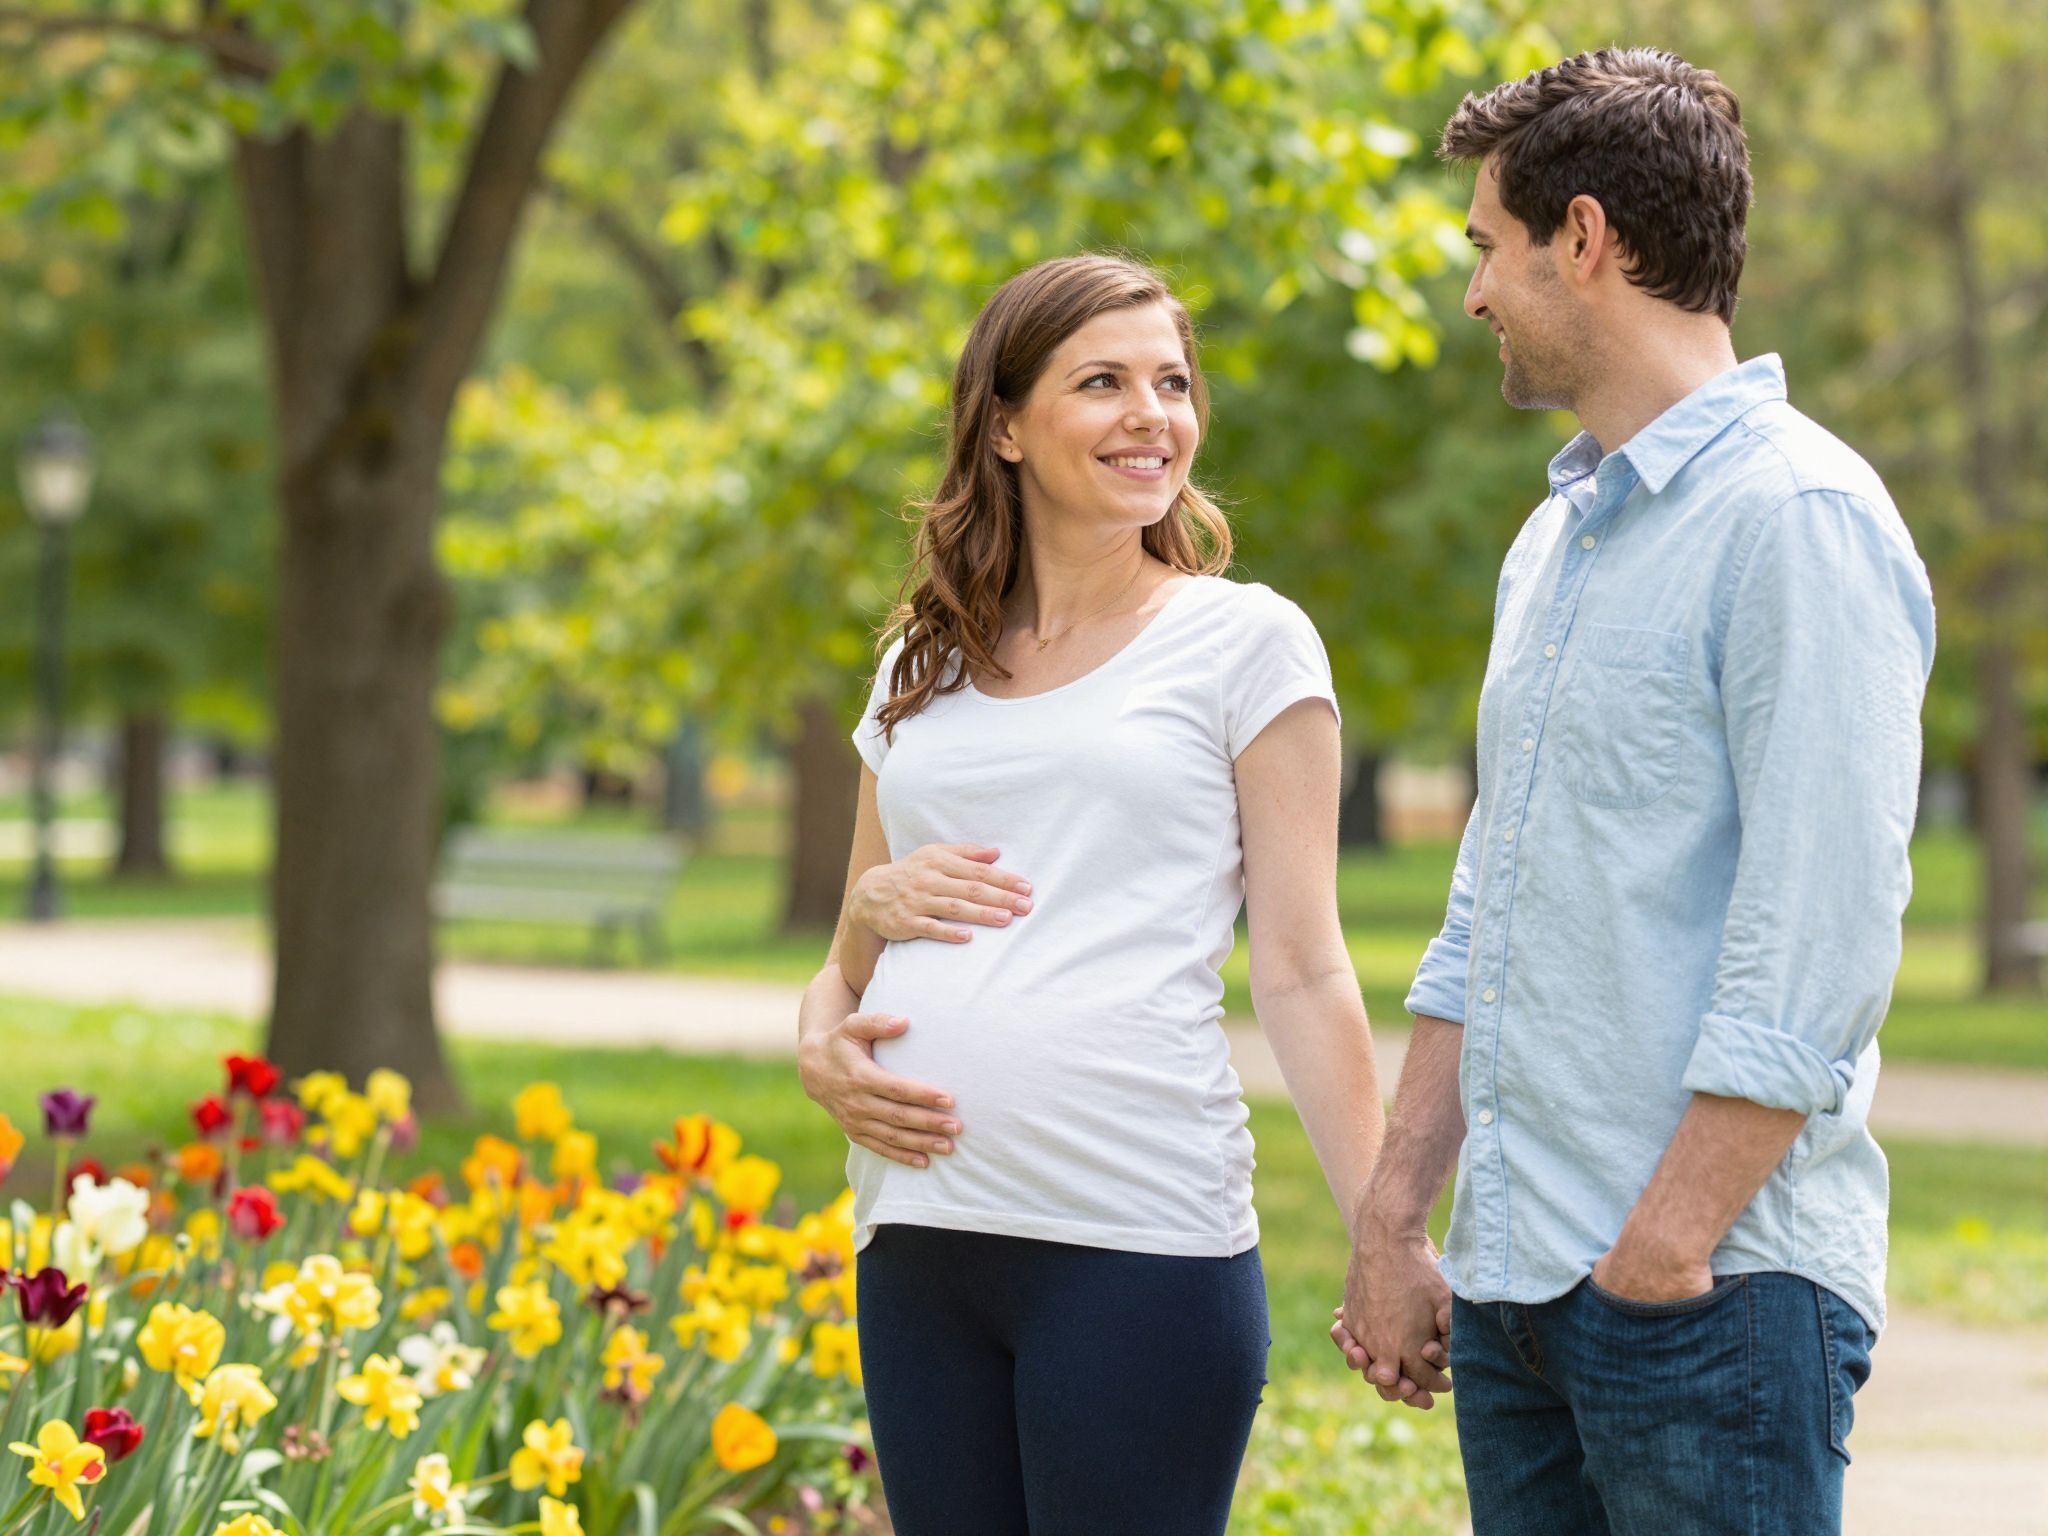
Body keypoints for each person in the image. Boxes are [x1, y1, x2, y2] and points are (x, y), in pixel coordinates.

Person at [1331, 47, 1937, 1534]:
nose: (1473, 292)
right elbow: (1490, 904)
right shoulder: (1559, 543)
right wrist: (1399, 1214)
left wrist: (1666, 1249)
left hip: (1707, 1296)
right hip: (1521, 1287)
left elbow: (1825, 935)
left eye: (1488, 245)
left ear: (1584, 238)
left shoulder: (1796, 520)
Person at [795, 253, 1385, 1535]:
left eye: (1170, 383)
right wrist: (814, 1043)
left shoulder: (1242, 642)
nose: (1151, 415)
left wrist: (1383, 1229)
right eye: (1102, 381)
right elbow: (854, 935)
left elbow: (1299, 965)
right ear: (1002, 424)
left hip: (1133, 1241)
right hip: (919, 1239)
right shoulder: (920, 658)